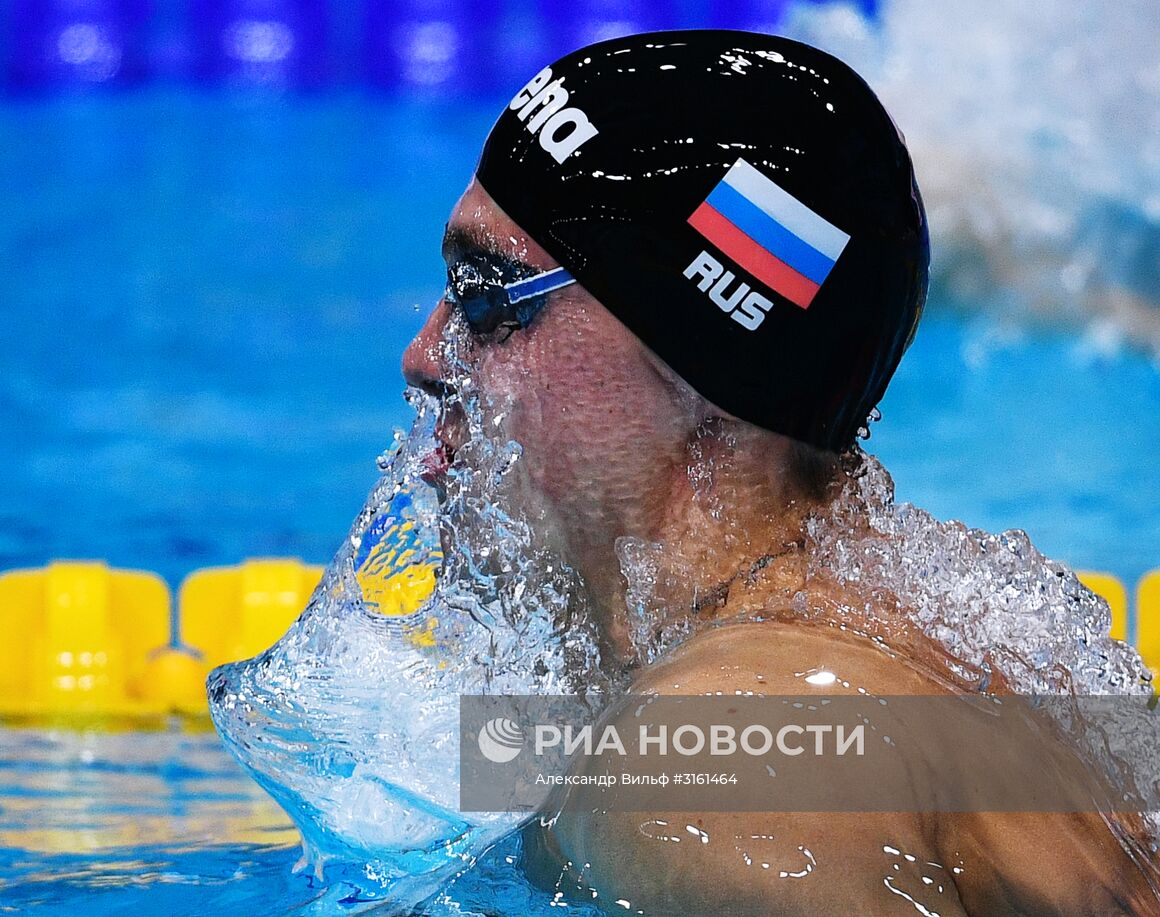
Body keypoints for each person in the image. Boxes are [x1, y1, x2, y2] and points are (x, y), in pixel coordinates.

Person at [400, 30, 1160, 915]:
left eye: (488, 299)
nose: (424, 353)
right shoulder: (921, 647)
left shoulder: (707, 775)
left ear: (698, 361)